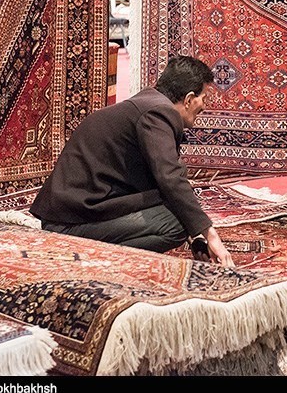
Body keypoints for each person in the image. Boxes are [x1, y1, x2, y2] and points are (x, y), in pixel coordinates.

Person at [30, 55, 235, 267]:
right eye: (204, 98)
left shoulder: (146, 106)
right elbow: (170, 178)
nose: (204, 106)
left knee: (175, 205)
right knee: (175, 225)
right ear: (189, 99)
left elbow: (165, 181)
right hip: (69, 223)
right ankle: (92, 255)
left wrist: (196, 238)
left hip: (70, 214)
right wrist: (210, 235)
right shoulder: (158, 113)